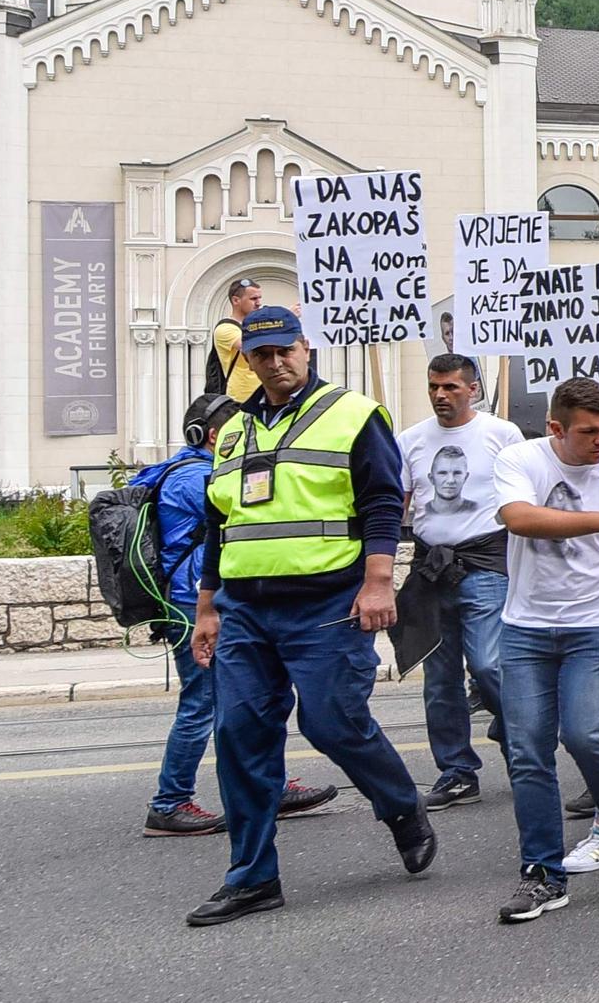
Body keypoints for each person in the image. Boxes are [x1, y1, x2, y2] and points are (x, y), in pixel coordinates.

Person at [182, 306, 439, 925]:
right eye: (260, 355)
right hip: (245, 608)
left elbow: (383, 500)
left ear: (305, 348)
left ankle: (401, 806)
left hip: (327, 603)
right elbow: (222, 521)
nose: (275, 363)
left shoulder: (353, 413)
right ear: (247, 360)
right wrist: (207, 605)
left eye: (284, 351)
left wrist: (380, 582)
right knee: (239, 736)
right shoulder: (237, 431)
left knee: (330, 724)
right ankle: (252, 877)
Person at [486, 378, 599, 922]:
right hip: (526, 627)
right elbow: (517, 518)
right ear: (557, 428)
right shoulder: (521, 458)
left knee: (587, 733)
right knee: (527, 750)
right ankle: (542, 873)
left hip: (597, 625)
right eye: (589, 432)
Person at [398, 353, 520, 810]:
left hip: (485, 564)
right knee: (439, 677)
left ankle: (518, 742)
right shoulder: (410, 440)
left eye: (450, 387)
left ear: (472, 389)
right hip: (431, 569)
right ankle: (456, 770)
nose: (440, 395)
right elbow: (400, 501)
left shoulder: (500, 434)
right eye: (434, 386)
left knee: (489, 665)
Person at [135, 396, 228, 835]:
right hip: (193, 606)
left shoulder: (189, 470)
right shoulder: (195, 477)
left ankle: (269, 785)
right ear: (213, 436)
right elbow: (238, 513)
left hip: (201, 602)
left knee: (241, 699)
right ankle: (169, 802)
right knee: (202, 703)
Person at [199, 275, 263, 405]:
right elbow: (250, 345)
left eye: (259, 298)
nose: (258, 303)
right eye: (253, 299)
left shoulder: (256, 325)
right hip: (240, 400)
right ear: (236, 300)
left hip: (264, 396)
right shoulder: (225, 328)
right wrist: (283, 319)